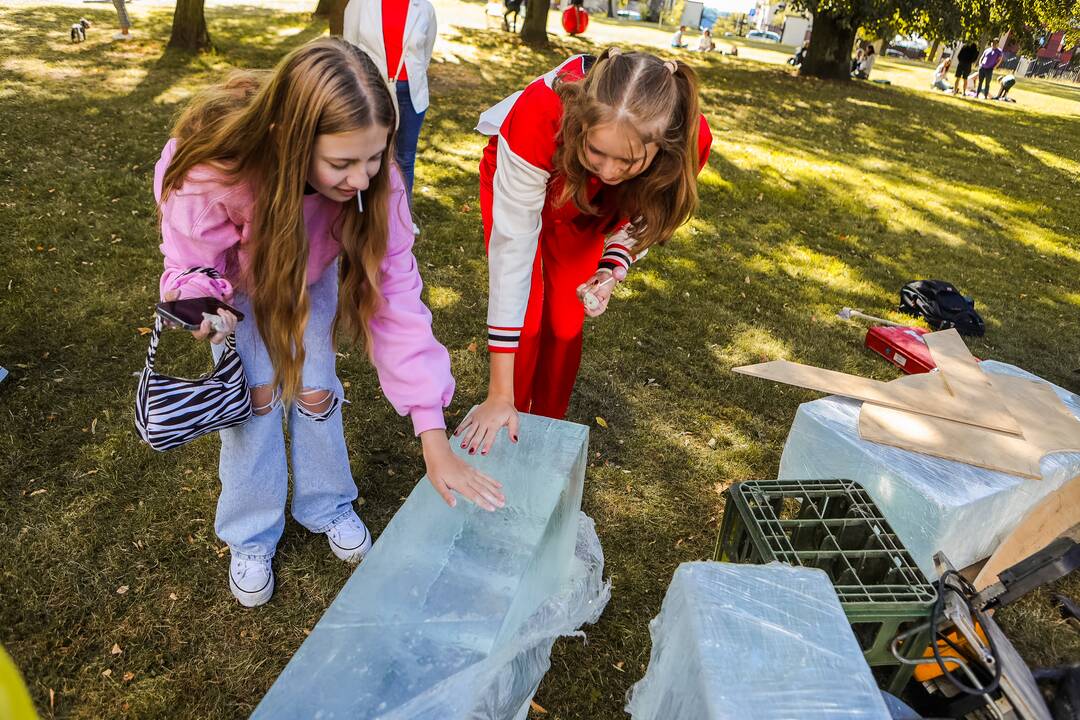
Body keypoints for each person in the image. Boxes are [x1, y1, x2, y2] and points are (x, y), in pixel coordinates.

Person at [153, 39, 503, 607]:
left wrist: (432, 434)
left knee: (317, 390)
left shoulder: (372, 180)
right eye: (342, 164)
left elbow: (397, 299)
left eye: (375, 157)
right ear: (291, 142)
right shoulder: (220, 171)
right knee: (255, 398)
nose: (363, 179)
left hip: (308, 278)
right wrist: (199, 300)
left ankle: (326, 503)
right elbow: (190, 257)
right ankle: (251, 532)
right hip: (241, 288)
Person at [458, 50, 713, 453]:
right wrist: (498, 392)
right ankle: (506, 410)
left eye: (627, 160)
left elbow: (646, 213)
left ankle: (543, 429)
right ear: (581, 125)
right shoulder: (540, 113)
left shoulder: (687, 140)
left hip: (596, 206)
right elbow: (513, 258)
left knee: (564, 322)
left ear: (661, 144)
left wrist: (613, 264)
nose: (610, 170)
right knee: (526, 317)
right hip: (534, 173)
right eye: (599, 152)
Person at [344, 0, 437, 223]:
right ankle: (365, 217)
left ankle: (401, 219)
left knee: (405, 158)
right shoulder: (360, 4)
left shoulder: (423, 7)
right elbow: (348, 49)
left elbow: (425, 53)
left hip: (410, 93)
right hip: (373, 91)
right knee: (370, 154)